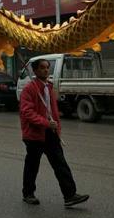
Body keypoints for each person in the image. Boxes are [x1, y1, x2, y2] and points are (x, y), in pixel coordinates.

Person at [19, 59, 89, 207]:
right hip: (34, 134)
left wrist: (57, 129)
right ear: (36, 71)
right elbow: (27, 112)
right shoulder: (29, 89)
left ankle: (70, 195)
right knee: (32, 165)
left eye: (47, 68)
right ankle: (28, 193)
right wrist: (45, 122)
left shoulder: (48, 87)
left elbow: (53, 112)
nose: (46, 70)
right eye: (42, 68)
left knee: (60, 163)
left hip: (50, 133)